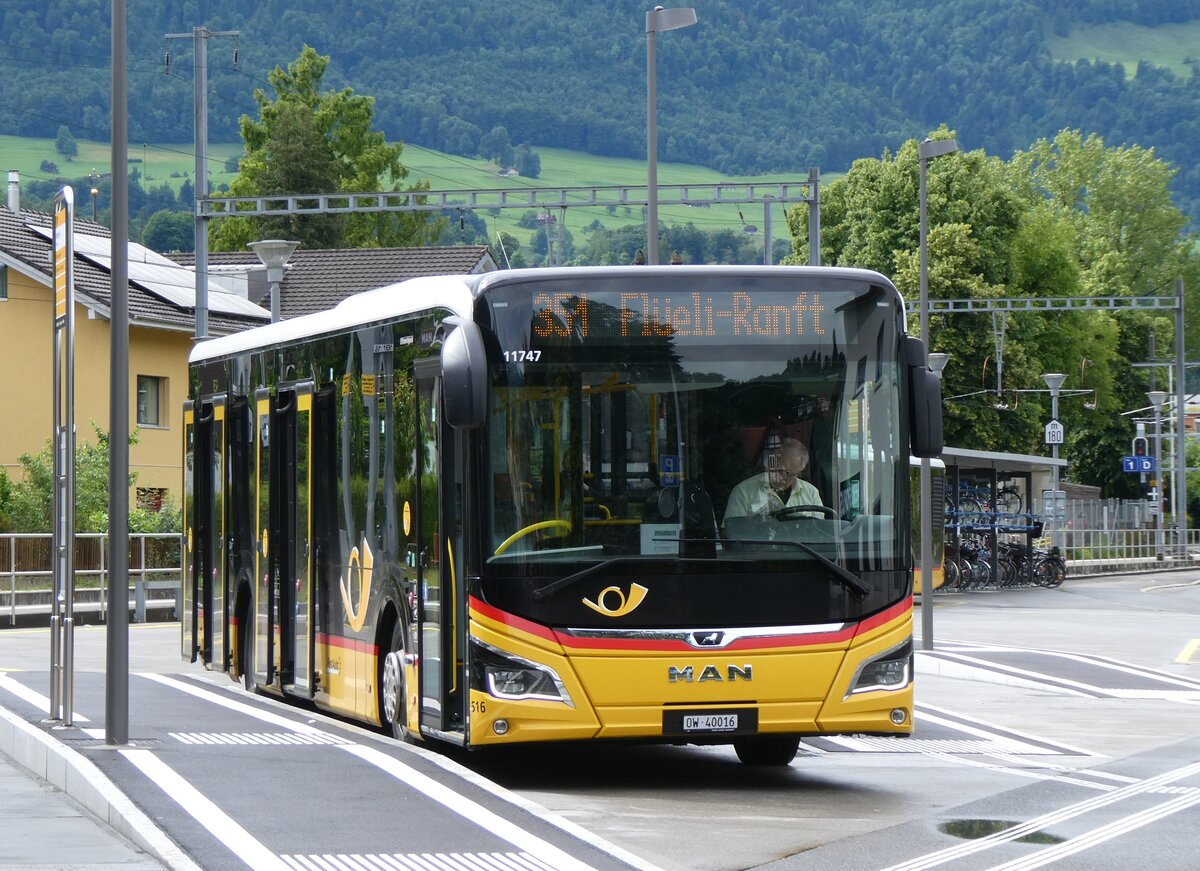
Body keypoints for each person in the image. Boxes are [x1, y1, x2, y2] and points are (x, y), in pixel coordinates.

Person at [724, 436, 824, 520]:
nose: (782, 479)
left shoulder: (811, 494)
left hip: (798, 544)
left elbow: (818, 535)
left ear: (798, 473)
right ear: (773, 462)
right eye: (780, 471)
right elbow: (729, 535)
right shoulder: (743, 492)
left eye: (789, 474)